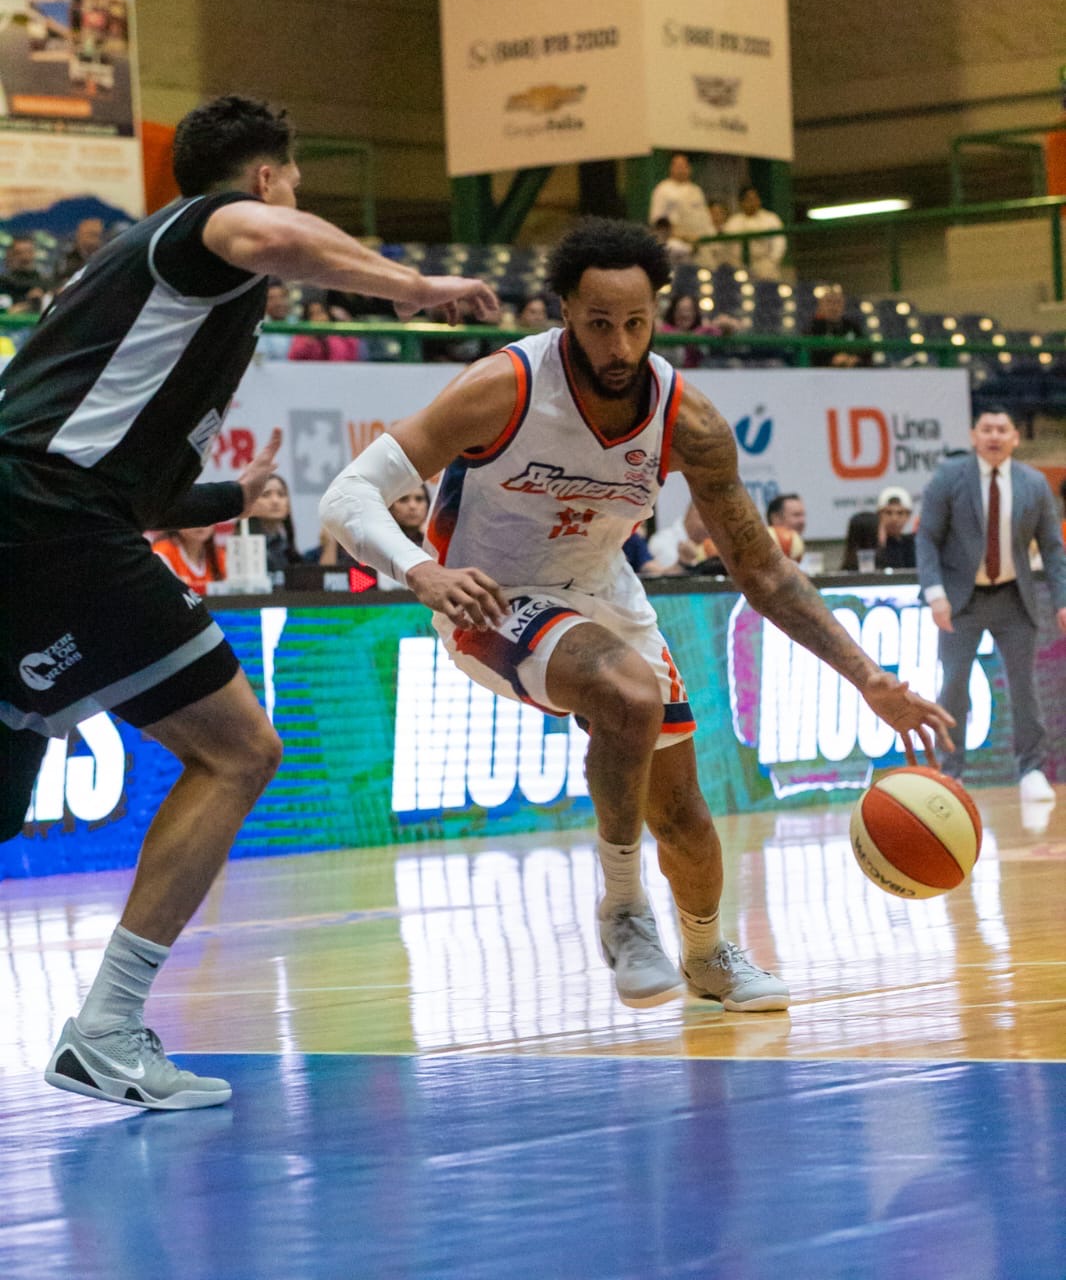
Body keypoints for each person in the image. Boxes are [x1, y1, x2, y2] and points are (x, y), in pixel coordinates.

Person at [0, 92, 498, 1111]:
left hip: (40, 516)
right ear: (266, 178)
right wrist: (414, 287)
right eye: (294, 185)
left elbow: (127, 481)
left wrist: (231, 497)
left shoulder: (136, 293)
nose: (293, 204)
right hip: (49, 521)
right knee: (240, 750)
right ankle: (107, 1030)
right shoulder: (202, 231)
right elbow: (265, 236)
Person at [321, 218, 953, 1016]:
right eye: (598, 325)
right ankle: (623, 910)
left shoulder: (688, 422)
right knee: (628, 693)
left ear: (657, 315)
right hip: (487, 597)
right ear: (565, 314)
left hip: (604, 593)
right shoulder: (504, 387)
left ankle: (708, 954)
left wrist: (869, 678)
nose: (618, 346)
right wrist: (424, 570)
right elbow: (347, 495)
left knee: (684, 813)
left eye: (635, 323)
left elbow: (763, 571)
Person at [917, 407, 1066, 805]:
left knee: (1024, 687)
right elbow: (927, 537)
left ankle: (1032, 769)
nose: (994, 436)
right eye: (987, 429)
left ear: (1015, 437)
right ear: (973, 436)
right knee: (954, 686)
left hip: (1014, 598)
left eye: (1002, 429)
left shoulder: (1033, 482)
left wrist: (1062, 600)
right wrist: (935, 593)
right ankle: (951, 771)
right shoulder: (949, 477)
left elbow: (1052, 548)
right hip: (960, 599)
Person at [648, 153, 714, 256]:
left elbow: (705, 218)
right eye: (678, 166)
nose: (681, 170)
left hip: (702, 244)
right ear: (671, 168)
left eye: (684, 166)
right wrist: (683, 237)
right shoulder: (662, 189)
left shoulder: (696, 190)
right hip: (677, 247)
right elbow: (658, 222)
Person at [720, 186, 786, 281]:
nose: (753, 203)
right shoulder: (733, 222)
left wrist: (772, 262)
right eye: (749, 200)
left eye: (755, 199)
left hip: (765, 265)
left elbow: (779, 243)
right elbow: (727, 248)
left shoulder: (770, 219)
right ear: (741, 202)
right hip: (739, 268)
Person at [247, 474, 302, 577]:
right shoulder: (245, 545)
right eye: (266, 495)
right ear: (251, 504)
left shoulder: (286, 548)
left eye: (281, 494)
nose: (275, 501)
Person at [153, 526, 227, 598]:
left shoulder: (220, 556)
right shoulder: (162, 553)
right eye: (194, 519)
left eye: (206, 519)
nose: (200, 525)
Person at [287, 296, 366, 361]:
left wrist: (346, 321)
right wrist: (309, 342)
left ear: (328, 314)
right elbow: (293, 358)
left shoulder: (339, 337)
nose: (318, 318)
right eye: (312, 314)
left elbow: (352, 355)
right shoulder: (302, 338)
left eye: (321, 312)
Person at [809, 284, 867, 367]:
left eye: (838, 302)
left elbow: (866, 351)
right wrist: (832, 360)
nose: (834, 307)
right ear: (820, 305)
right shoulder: (812, 328)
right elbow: (811, 356)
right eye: (829, 302)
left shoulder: (853, 327)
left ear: (843, 305)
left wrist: (854, 359)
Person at [52, 216, 106, 289]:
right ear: (79, 235)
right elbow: (59, 285)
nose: (95, 240)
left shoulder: (105, 258)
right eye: (92, 235)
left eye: (99, 236)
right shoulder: (66, 258)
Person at [1, 235, 49, 312]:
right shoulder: (3, 283)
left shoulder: (45, 283)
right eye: (19, 253)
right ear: (10, 255)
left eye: (29, 252)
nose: (25, 257)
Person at [876, 485, 916, 569]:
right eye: (888, 513)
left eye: (900, 513)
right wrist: (881, 546)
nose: (894, 519)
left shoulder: (915, 544)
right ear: (879, 515)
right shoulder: (871, 545)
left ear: (908, 516)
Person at [258, 278, 295, 361]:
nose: (278, 303)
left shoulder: (297, 323)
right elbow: (259, 355)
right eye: (271, 298)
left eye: (282, 297)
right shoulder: (259, 325)